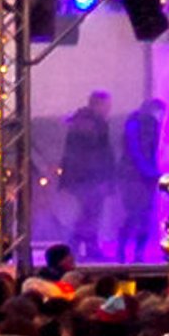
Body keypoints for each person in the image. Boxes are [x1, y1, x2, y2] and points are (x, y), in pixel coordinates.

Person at [60, 92, 116, 259]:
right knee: (90, 213)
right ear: (97, 105)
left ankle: (79, 247)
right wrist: (102, 177)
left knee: (88, 213)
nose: (109, 109)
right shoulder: (92, 125)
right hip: (88, 177)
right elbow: (96, 154)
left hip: (83, 177)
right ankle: (81, 247)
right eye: (106, 105)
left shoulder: (85, 123)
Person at [118, 98, 164, 261]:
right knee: (140, 214)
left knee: (137, 215)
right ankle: (133, 253)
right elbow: (138, 151)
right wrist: (150, 171)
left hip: (137, 176)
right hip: (139, 177)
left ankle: (126, 252)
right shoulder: (145, 124)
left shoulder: (134, 123)